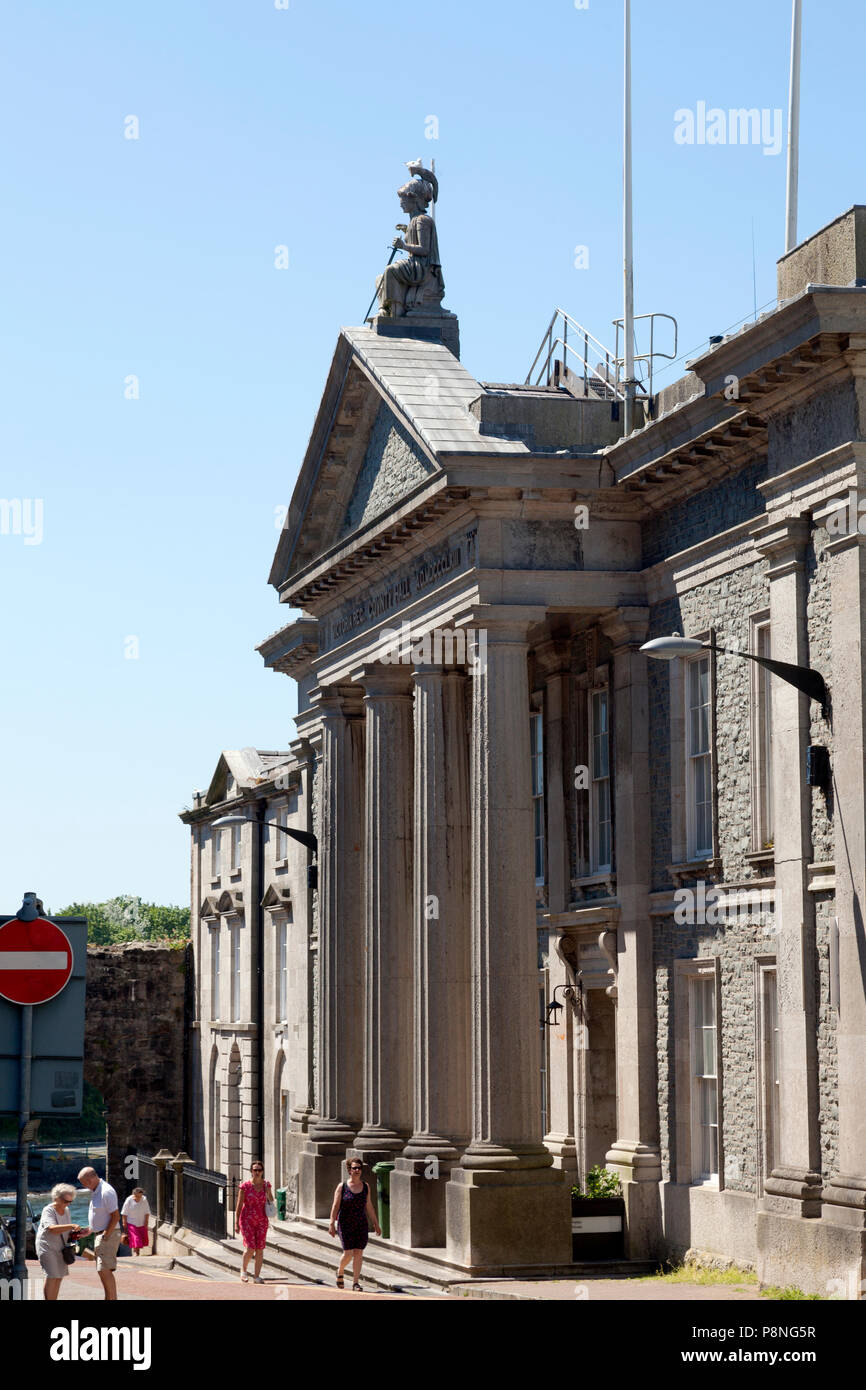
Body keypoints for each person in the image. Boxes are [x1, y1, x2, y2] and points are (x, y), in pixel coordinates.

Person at [328, 1159, 381, 1292]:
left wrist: (375, 1223)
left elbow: (369, 1205)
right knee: (348, 1253)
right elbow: (335, 1206)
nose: (357, 1170)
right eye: (354, 1168)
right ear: (349, 1170)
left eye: (359, 1168)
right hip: (345, 1223)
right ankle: (340, 1270)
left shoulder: (366, 1186)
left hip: (361, 1223)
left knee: (358, 1252)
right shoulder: (342, 1187)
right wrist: (331, 1223)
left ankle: (355, 1283)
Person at [77, 1166, 121, 1300]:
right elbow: (100, 1216)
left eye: (84, 1183)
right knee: (102, 1270)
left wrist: (105, 1235)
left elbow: (115, 1216)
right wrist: (90, 1230)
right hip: (101, 1234)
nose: (84, 1186)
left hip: (108, 1235)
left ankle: (112, 1298)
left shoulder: (106, 1191)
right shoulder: (96, 1191)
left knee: (104, 1269)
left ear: (90, 1179)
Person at [36, 1184, 83, 1300]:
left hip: (61, 1247)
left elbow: (66, 1230)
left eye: (70, 1202)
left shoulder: (66, 1210)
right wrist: (72, 1225)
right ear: (56, 1198)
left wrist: (78, 1233)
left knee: (59, 1276)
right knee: (52, 1275)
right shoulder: (48, 1210)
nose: (68, 1204)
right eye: (65, 1201)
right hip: (47, 1246)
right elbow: (52, 1228)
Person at [235, 1161, 273, 1283]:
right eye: (255, 1170)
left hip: (262, 1220)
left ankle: (256, 1276)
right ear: (251, 1171)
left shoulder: (266, 1185)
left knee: (260, 1249)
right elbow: (239, 1205)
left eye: (259, 1170)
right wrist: (236, 1222)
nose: (257, 1172)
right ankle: (244, 1270)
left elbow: (271, 1200)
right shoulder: (245, 1186)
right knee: (250, 1247)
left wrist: (268, 1192)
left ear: (262, 1171)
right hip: (247, 1220)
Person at [120, 1187, 151, 1255]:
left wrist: (146, 1221)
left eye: (140, 1196)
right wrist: (124, 1222)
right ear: (133, 1194)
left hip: (141, 1222)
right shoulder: (129, 1200)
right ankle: (136, 1252)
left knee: (141, 1237)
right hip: (131, 1222)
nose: (139, 1198)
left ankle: (137, 1249)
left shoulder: (144, 1199)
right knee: (136, 1237)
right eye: (137, 1196)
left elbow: (147, 1211)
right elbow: (124, 1212)